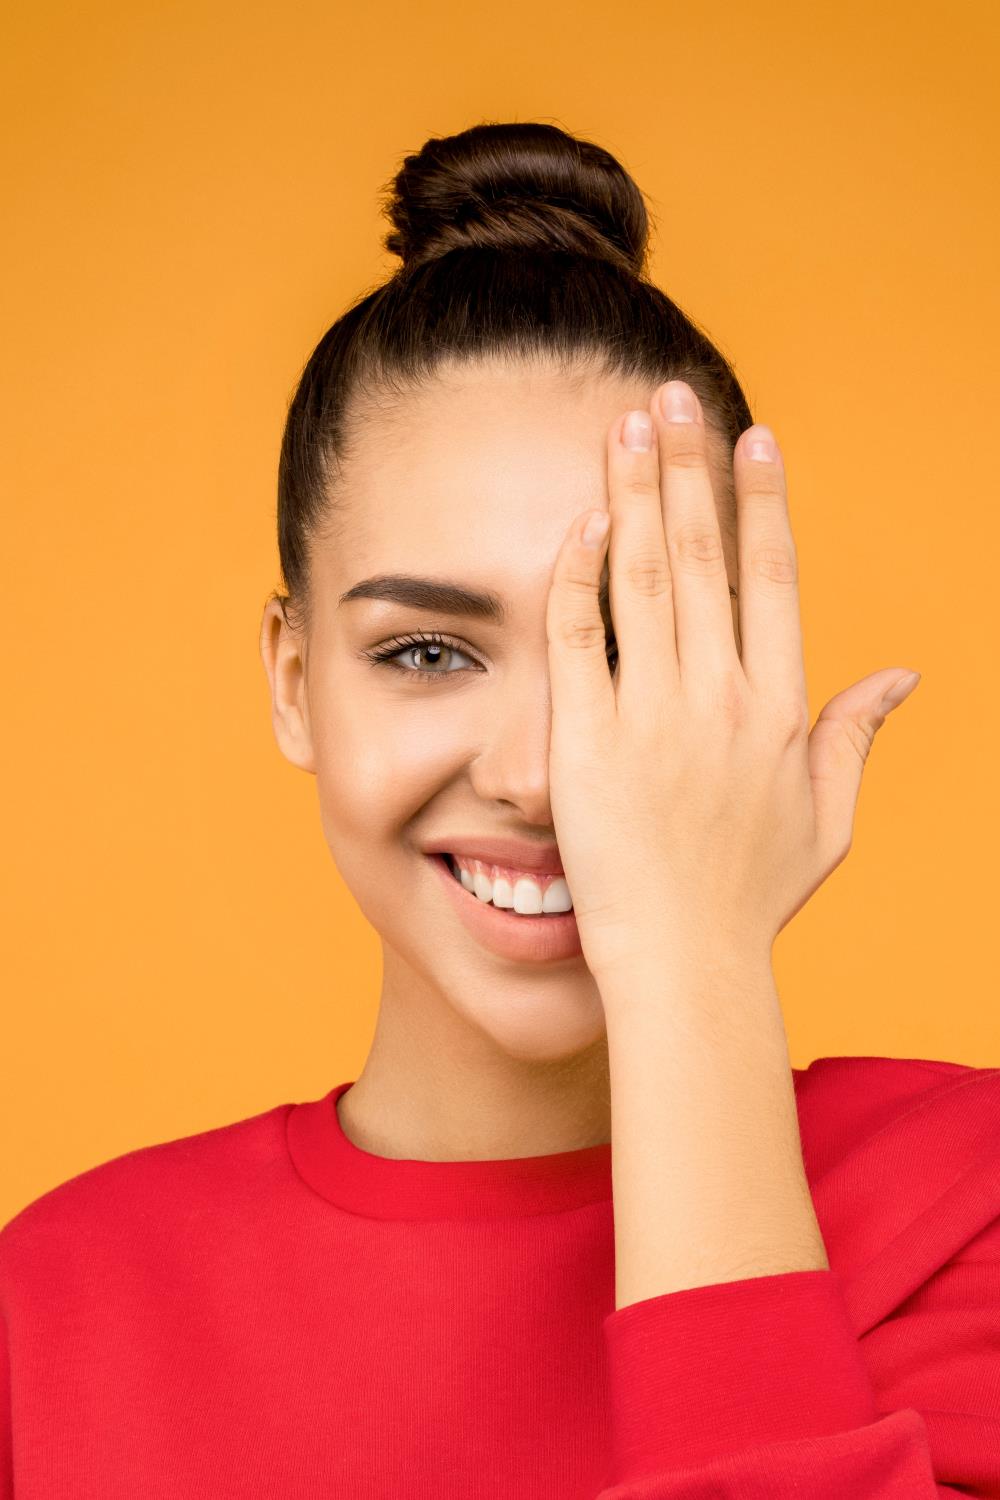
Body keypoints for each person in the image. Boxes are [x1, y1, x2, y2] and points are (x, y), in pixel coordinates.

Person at [2, 120, 998, 1499]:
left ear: (744, 677)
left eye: (624, 645)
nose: (541, 774)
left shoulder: (967, 1210)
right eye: (428, 652)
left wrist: (697, 967)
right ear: (295, 684)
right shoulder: (52, 1311)